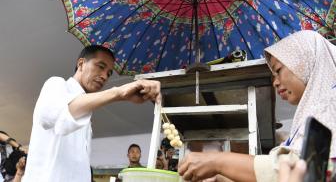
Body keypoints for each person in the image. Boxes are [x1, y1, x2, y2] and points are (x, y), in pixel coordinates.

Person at [178, 30, 336, 182]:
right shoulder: (312, 115)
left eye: (278, 70)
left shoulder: (331, 102)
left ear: (305, 60)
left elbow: (300, 169)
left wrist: (217, 161)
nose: (275, 82)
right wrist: (222, 176)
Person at [22, 45, 161, 182]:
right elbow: (59, 117)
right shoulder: (56, 84)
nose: (104, 76)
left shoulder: (86, 113)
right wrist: (118, 92)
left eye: (109, 73)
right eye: (100, 66)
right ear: (81, 63)